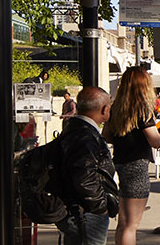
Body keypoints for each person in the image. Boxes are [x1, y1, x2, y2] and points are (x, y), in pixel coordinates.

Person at [106, 67, 160, 245]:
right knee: (131, 225)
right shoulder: (142, 110)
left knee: (123, 223)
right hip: (137, 167)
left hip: (120, 162)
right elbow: (155, 141)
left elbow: (106, 135)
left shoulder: (116, 108)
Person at [52, 86, 118, 245]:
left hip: (78, 211)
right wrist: (101, 207)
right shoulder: (86, 137)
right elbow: (84, 177)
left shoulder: (75, 130)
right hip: (86, 214)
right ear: (104, 109)